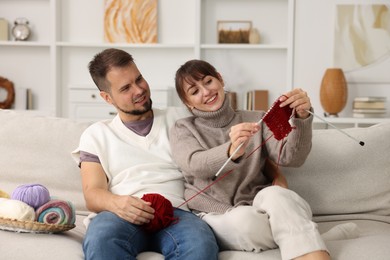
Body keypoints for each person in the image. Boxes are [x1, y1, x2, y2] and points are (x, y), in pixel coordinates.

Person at [169, 59, 356, 260]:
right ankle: (311, 235)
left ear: (220, 80)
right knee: (246, 221)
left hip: (259, 206)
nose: (205, 92)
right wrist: (231, 150)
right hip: (217, 215)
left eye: (208, 81)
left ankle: (311, 249)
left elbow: (291, 158)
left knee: (278, 195)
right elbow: (195, 164)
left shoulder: (258, 117)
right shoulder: (183, 128)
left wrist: (301, 120)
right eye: (194, 91)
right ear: (187, 102)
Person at [71, 49, 219, 260]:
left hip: (177, 211)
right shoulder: (96, 135)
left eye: (139, 79)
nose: (139, 90)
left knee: (201, 245)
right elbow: (93, 194)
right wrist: (118, 204)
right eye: (125, 88)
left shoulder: (180, 118)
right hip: (120, 213)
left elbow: (228, 129)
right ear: (107, 97)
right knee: (101, 241)